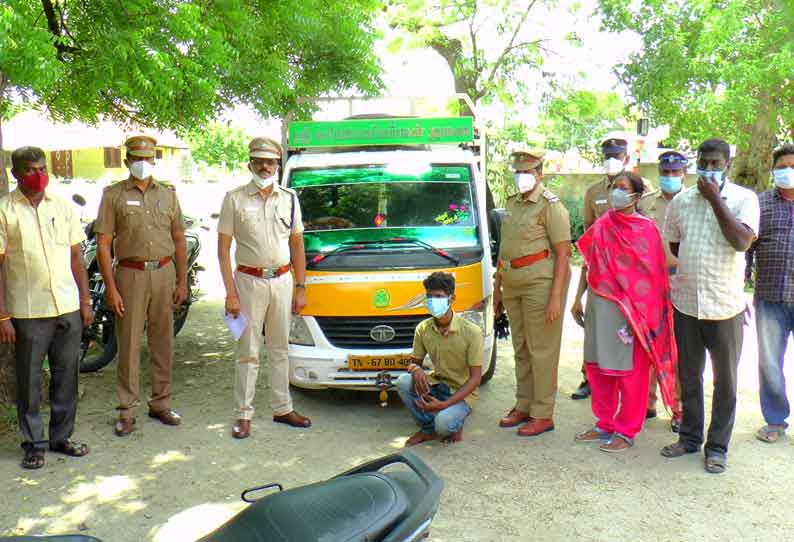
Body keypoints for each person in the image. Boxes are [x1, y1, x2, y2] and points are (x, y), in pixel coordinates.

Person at [661, 138, 759, 474]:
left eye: (716, 163)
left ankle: (717, 446)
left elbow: (741, 241)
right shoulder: (681, 202)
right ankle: (689, 438)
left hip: (725, 305)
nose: (709, 169)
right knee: (689, 375)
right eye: (704, 162)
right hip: (687, 302)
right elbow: (674, 241)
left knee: (726, 381)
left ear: (728, 165)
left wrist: (715, 199)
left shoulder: (746, 199)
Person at [573, 172, 679, 452]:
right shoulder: (602, 224)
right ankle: (604, 423)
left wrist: (644, 315)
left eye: (622, 188)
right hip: (599, 304)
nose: (616, 192)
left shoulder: (647, 229)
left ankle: (627, 429)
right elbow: (588, 263)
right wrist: (577, 298)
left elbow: (656, 275)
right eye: (613, 187)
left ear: (636, 196)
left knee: (629, 371)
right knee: (598, 366)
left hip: (630, 313)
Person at [0, 146, 92, 469]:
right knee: (28, 379)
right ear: (15, 174)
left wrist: (85, 300)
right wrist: (3, 316)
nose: (39, 175)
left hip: (66, 305)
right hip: (27, 311)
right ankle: (34, 443)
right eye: (30, 169)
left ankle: (61, 436)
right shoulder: (4, 211)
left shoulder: (63, 206)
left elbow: (77, 257)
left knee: (67, 375)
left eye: (42, 168)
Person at [94, 135, 188, 437]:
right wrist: (111, 287)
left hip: (164, 271)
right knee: (129, 344)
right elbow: (104, 244)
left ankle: (160, 403)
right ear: (126, 161)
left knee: (163, 342)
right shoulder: (113, 196)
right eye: (136, 159)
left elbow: (178, 238)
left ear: (155, 160)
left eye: (148, 159)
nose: (142, 164)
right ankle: (127, 410)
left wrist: (182, 280)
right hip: (130, 275)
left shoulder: (169, 194)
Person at [218, 136, 310, 438]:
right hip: (248, 282)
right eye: (259, 161)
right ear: (250, 164)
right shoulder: (234, 198)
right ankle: (243, 414)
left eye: (270, 162)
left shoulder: (290, 198)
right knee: (248, 349)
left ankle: (282, 408)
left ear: (277, 165)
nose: (265, 167)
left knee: (280, 348)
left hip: (283, 280)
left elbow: (297, 244)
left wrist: (300, 286)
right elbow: (223, 248)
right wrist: (230, 292)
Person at [571, 138, 657, 400]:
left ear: (627, 158)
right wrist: (578, 296)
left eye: (617, 155)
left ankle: (642, 399)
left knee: (630, 344)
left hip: (631, 284)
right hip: (600, 280)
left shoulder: (645, 190)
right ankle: (590, 380)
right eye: (608, 155)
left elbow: (646, 239)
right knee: (596, 339)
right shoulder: (593, 192)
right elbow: (589, 246)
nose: (612, 160)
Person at [494, 149, 571, 437]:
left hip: (540, 282)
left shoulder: (551, 206)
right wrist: (499, 286)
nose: (521, 176)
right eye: (517, 171)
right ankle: (523, 404)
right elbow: (506, 247)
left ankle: (543, 413)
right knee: (522, 348)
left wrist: (555, 296)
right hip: (512, 280)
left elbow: (564, 253)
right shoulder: (513, 203)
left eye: (527, 172)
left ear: (539, 174)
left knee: (542, 350)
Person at [396, 272, 483, 446]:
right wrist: (416, 369)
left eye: (439, 297)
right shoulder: (423, 328)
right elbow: (414, 362)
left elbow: (476, 378)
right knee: (404, 381)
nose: (433, 301)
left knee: (443, 425)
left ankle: (454, 422)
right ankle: (428, 429)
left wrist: (444, 405)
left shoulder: (472, 332)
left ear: (452, 299)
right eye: (429, 296)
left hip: (462, 392)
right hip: (437, 384)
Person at [745, 144, 794, 444]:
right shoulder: (760, 203)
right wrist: (739, 289)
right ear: (773, 170)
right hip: (770, 296)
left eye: (792, 165)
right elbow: (746, 250)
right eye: (782, 166)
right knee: (769, 362)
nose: (787, 171)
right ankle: (775, 420)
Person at [646, 151, 686, 431]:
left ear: (683, 173)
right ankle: (645, 402)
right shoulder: (646, 203)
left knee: (680, 348)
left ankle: (679, 406)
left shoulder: (694, 203)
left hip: (681, 281)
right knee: (646, 341)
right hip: (647, 284)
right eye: (665, 173)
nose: (669, 177)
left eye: (675, 173)